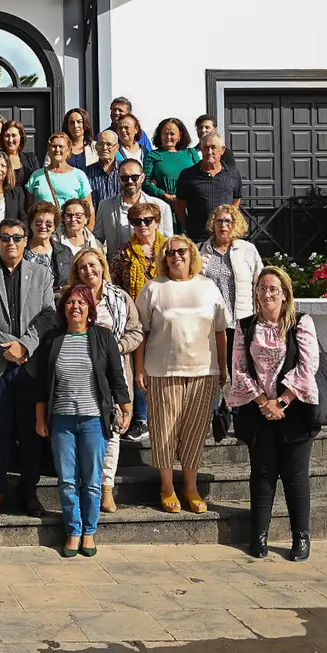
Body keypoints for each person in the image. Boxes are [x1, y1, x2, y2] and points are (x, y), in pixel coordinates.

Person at [31, 284, 131, 556]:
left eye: (81, 302)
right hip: (61, 420)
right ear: (64, 309)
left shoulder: (103, 337)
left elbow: (116, 377)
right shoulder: (52, 339)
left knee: (92, 480)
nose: (75, 307)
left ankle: (90, 531)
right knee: (67, 479)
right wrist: (41, 417)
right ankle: (73, 531)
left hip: (94, 420)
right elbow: (42, 384)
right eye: (70, 302)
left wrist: (126, 408)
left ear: (90, 309)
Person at [229, 267, 319, 561]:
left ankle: (300, 538)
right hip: (259, 410)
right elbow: (239, 369)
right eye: (262, 288)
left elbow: (308, 367)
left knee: (295, 477)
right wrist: (262, 401)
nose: (267, 294)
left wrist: (281, 401)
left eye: (273, 289)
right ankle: (259, 536)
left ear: (285, 294)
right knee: (262, 474)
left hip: (294, 410)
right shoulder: (245, 326)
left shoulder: (301, 323)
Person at [135, 235, 229, 514]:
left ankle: (190, 487)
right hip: (162, 371)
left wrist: (223, 369)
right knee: (164, 431)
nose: (176, 256)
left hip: (204, 371)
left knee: (194, 433)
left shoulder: (208, 287)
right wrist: (138, 369)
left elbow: (221, 331)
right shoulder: (153, 288)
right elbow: (141, 332)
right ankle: (166, 488)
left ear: (191, 256)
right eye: (170, 252)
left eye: (182, 252)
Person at [0, 219, 55, 518]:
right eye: (6, 237)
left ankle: (29, 491)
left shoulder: (42, 273)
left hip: (29, 366)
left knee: (31, 431)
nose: (12, 243)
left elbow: (47, 315)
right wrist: (9, 346)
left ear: (26, 240)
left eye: (18, 237)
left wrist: (25, 346)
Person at [67, 249, 143, 513]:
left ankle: (106, 488)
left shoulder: (120, 298)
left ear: (102, 266)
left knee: (113, 431)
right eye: (82, 268)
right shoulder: (70, 299)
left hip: (115, 373)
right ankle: (85, 485)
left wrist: (115, 349)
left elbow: (136, 332)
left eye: (93, 265)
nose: (89, 272)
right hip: (79, 373)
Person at [108, 200, 168, 445]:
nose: (142, 226)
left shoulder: (170, 249)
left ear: (156, 221)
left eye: (147, 221)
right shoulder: (123, 251)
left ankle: (163, 416)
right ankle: (141, 418)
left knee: (163, 367)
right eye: (136, 222)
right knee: (138, 369)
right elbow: (113, 281)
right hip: (134, 318)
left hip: (165, 317)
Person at [199, 204, 263, 351]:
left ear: (236, 225)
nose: (223, 225)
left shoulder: (248, 250)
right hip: (210, 323)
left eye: (228, 221)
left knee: (239, 369)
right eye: (219, 221)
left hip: (241, 322)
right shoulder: (200, 250)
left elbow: (259, 284)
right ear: (213, 224)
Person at [93, 158, 173, 257]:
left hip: (154, 268)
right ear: (119, 178)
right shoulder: (105, 206)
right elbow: (97, 238)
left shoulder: (161, 206)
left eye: (135, 177)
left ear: (143, 177)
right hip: (117, 267)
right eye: (125, 178)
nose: (130, 181)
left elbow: (168, 241)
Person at [176, 133, 243, 242]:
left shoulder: (233, 174)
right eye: (206, 147)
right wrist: (189, 227)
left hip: (225, 237)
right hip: (198, 238)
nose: (209, 151)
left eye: (213, 147)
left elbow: (236, 198)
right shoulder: (188, 175)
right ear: (201, 149)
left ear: (222, 150)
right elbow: (180, 204)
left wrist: (229, 220)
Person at [26, 134, 94, 225]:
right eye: (54, 146)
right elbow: (29, 208)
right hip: (44, 230)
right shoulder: (36, 176)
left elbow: (88, 209)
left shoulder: (79, 176)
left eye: (61, 146)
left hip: (71, 230)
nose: (57, 150)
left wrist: (87, 234)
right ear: (48, 150)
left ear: (69, 151)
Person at [143, 117, 199, 210]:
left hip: (190, 206)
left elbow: (201, 176)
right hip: (164, 206)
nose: (168, 137)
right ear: (160, 135)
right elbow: (145, 182)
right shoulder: (153, 155)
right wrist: (164, 195)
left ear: (180, 135)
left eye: (172, 134)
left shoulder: (191, 153)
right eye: (165, 133)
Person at [24, 202, 72, 291]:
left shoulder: (65, 251)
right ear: (31, 224)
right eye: (38, 222)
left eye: (48, 224)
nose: (43, 226)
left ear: (54, 227)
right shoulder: (21, 250)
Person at [0, 120, 41, 191]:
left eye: (14, 135)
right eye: (7, 136)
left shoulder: (31, 160)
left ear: (21, 137)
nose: (10, 140)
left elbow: (38, 184)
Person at [84, 130, 122, 209]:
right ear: (96, 147)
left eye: (109, 144)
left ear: (117, 147)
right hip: (97, 218)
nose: (104, 148)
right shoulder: (86, 173)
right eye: (101, 144)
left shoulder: (125, 170)